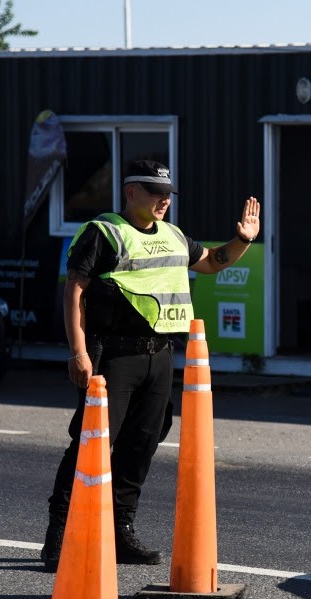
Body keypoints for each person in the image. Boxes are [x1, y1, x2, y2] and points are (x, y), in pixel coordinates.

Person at [41, 159, 261, 572]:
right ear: (130, 193)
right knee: (91, 444)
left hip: (159, 356)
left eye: (167, 194)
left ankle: (120, 530)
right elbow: (74, 291)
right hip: (113, 356)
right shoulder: (103, 232)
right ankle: (58, 535)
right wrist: (78, 351)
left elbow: (212, 262)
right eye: (155, 193)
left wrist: (242, 239)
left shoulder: (175, 236)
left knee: (142, 443)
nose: (164, 201)